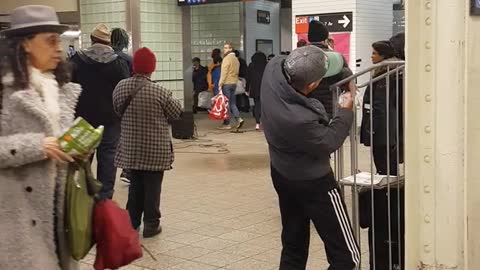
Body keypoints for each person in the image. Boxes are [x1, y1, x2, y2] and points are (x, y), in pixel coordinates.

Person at [261, 45, 359, 270]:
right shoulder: (300, 119)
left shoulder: (273, 68)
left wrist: (342, 70)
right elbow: (329, 141)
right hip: (315, 183)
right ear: (314, 85)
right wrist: (346, 109)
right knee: (347, 257)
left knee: (293, 245)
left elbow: (329, 62)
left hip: (282, 174)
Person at [0, 5, 82, 269]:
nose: (59, 48)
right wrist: (36, 146)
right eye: (51, 41)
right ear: (25, 43)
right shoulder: (5, 91)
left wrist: (76, 148)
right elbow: (40, 145)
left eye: (59, 41)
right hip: (17, 216)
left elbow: (58, 145)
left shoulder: (58, 89)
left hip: (59, 214)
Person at [113, 47, 183, 238]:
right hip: (155, 149)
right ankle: (151, 224)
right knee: (152, 186)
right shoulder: (160, 92)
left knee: (135, 184)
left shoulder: (120, 87)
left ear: (134, 66)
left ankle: (131, 221)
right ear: (152, 68)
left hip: (130, 148)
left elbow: (116, 110)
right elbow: (177, 113)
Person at [359, 40, 405, 270]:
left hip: (384, 134)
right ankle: (387, 196)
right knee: (385, 168)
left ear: (384, 55)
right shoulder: (386, 75)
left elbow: (382, 109)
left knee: (387, 169)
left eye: (374, 53)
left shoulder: (388, 76)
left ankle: (388, 199)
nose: (371, 57)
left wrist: (372, 131)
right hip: (382, 133)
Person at [71, 23, 130, 199]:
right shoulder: (119, 64)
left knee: (82, 161)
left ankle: (82, 201)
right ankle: (104, 203)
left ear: (91, 39)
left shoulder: (76, 61)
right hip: (110, 121)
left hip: (82, 121)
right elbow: (125, 92)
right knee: (108, 160)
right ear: (108, 43)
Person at [307, 20, 352, 119]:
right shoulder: (336, 57)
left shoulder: (301, 56)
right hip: (330, 106)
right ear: (325, 38)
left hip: (306, 106)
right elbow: (348, 78)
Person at [218, 42, 244, 130]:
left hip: (227, 83)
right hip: (234, 83)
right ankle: (239, 119)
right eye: (224, 47)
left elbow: (224, 72)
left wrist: (220, 83)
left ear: (230, 49)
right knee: (232, 103)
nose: (224, 49)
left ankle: (227, 123)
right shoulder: (236, 59)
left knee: (226, 104)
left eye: (226, 48)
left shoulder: (226, 59)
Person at [246, 52, 267, 130]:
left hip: (255, 88)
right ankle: (264, 122)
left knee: (257, 105)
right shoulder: (266, 65)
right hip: (264, 87)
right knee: (264, 105)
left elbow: (248, 78)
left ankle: (257, 123)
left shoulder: (251, 65)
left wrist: (247, 89)